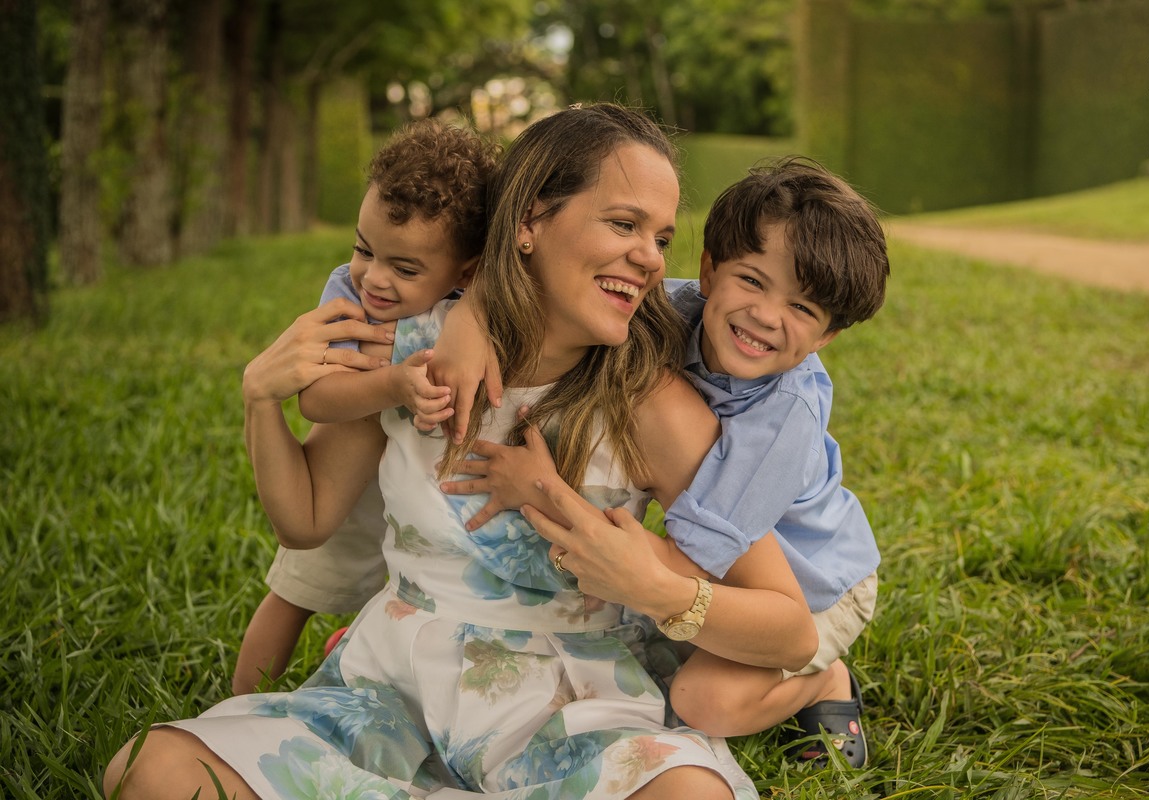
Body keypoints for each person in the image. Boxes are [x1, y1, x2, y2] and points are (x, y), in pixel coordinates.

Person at [103, 103, 816, 800]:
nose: (650, 259)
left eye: (660, 238)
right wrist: (260, 399)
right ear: (529, 221)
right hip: (393, 690)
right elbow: (306, 519)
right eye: (624, 224)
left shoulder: (652, 404)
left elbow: (790, 631)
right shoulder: (410, 354)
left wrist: (658, 589)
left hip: (570, 705)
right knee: (151, 770)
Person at [439, 158, 890, 767]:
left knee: (701, 700)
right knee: (631, 642)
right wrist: (468, 319)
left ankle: (823, 682)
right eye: (752, 280)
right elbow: (537, 291)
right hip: (720, 559)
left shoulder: (781, 423)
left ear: (827, 336)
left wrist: (544, 491)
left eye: (803, 309)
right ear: (707, 270)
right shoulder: (669, 311)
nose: (766, 315)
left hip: (811, 587)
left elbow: (689, 567)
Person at [231, 119, 499, 696]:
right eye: (363, 249)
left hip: (435, 481)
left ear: (467, 270)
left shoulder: (482, 296)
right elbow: (317, 399)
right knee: (298, 589)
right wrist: (393, 384)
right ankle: (240, 701)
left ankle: (355, 650)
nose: (373, 278)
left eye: (404, 268)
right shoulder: (348, 293)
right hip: (358, 457)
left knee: (416, 587)